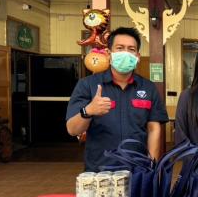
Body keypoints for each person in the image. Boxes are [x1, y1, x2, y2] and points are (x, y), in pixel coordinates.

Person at [66, 27, 168, 171]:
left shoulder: (148, 87)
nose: (125, 53)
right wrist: (88, 111)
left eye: (131, 49)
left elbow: (154, 129)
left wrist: (152, 166)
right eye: (120, 48)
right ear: (109, 53)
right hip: (100, 172)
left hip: (137, 170)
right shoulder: (88, 85)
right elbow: (72, 129)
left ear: (138, 56)